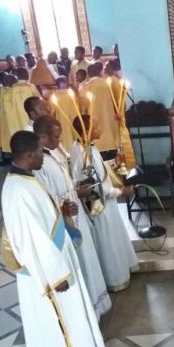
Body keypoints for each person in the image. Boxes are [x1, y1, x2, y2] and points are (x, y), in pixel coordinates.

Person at [1, 130, 105, 347]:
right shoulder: (18, 189)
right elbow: (33, 239)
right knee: (57, 315)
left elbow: (43, 217)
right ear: (28, 155)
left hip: (54, 260)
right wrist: (56, 275)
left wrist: (61, 210)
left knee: (69, 312)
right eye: (40, 153)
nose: (43, 157)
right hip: (45, 270)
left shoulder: (27, 178)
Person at [33, 116, 112, 317]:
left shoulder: (52, 155)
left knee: (88, 259)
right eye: (56, 137)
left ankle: (96, 304)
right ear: (42, 137)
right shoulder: (40, 164)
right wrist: (69, 201)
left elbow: (65, 185)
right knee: (81, 263)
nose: (60, 141)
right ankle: (89, 309)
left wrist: (77, 189)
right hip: (66, 221)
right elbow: (45, 198)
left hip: (77, 215)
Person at [70, 115, 139, 291]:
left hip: (107, 204)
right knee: (108, 242)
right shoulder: (82, 153)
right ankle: (114, 278)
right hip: (99, 206)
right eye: (96, 126)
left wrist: (114, 166)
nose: (100, 128)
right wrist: (120, 191)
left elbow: (100, 172)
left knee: (115, 236)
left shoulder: (88, 147)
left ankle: (122, 271)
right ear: (86, 131)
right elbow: (94, 185)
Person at [79, 63, 120, 160]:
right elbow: (119, 100)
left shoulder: (86, 86)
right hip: (110, 124)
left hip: (94, 125)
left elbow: (83, 106)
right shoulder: (108, 83)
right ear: (99, 72)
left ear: (89, 73)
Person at [104, 61, 137, 168]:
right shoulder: (109, 80)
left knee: (121, 139)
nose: (104, 68)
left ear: (111, 68)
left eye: (106, 67)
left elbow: (119, 99)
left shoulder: (114, 80)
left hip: (117, 115)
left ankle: (125, 164)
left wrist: (118, 112)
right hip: (114, 115)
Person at [0, 68, 40, 153]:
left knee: (21, 140)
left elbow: (6, 108)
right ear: (27, 75)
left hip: (16, 121)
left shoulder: (10, 90)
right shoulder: (31, 87)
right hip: (30, 119)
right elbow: (39, 101)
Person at [52, 76, 79, 150]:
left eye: (65, 83)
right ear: (58, 84)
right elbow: (52, 109)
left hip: (73, 116)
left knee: (74, 131)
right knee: (66, 133)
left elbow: (77, 104)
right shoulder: (55, 95)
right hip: (62, 118)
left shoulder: (71, 93)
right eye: (62, 83)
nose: (64, 84)